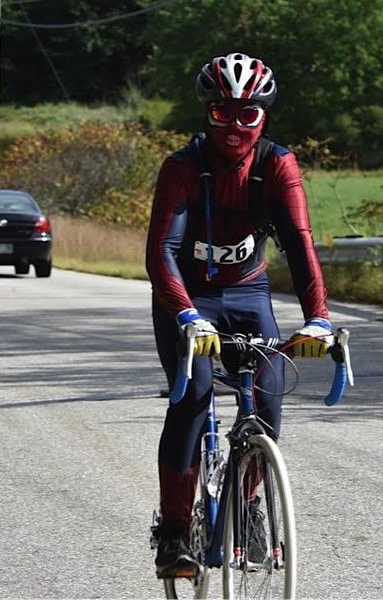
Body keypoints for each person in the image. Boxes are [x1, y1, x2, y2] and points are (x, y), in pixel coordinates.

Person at [146, 52, 333, 579]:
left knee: (269, 402)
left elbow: (299, 244)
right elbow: (161, 252)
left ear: (264, 116)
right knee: (194, 396)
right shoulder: (181, 168)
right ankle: (176, 533)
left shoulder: (278, 164)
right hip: (187, 299)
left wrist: (318, 318)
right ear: (206, 113)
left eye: (247, 114)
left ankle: (248, 502)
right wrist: (186, 315)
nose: (234, 126)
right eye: (222, 113)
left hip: (247, 293)